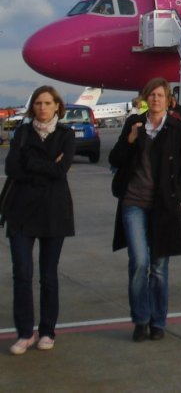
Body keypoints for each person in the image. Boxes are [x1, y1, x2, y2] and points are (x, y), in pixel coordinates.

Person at [109, 77, 181, 342]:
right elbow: (115, 160)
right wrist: (130, 140)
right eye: (151, 95)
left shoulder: (177, 128)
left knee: (158, 266)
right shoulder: (135, 124)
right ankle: (140, 319)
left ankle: (158, 321)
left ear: (168, 100)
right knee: (139, 261)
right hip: (133, 202)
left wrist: (176, 194)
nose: (155, 99)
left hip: (163, 205)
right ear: (145, 98)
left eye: (159, 95)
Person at [4, 86, 75, 355]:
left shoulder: (65, 135)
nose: (42, 108)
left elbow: (61, 169)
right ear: (32, 106)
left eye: (48, 103)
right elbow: (11, 168)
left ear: (57, 106)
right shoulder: (21, 133)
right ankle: (24, 333)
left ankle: (47, 330)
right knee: (22, 273)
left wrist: (31, 163)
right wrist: (45, 167)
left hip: (53, 212)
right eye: (38, 103)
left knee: (48, 275)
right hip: (21, 212)